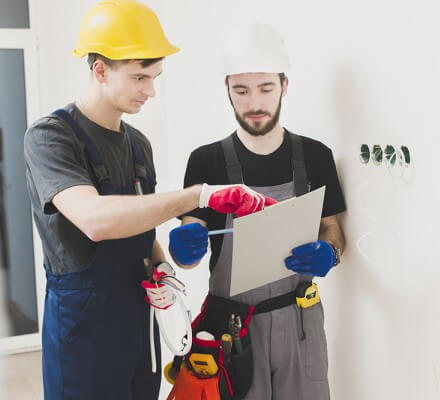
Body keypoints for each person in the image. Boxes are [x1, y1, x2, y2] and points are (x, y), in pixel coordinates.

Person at [23, 2, 273, 399]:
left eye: (155, 77)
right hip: (83, 329)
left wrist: (164, 268)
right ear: (100, 69)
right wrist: (200, 195)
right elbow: (95, 219)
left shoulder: (138, 144)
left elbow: (139, 225)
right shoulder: (51, 138)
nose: (151, 90)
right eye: (140, 77)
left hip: (140, 324)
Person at [168, 23, 346, 399]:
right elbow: (187, 245)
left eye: (265, 88)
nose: (254, 104)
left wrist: (330, 252)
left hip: (300, 321)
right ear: (227, 91)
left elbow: (333, 229)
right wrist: (183, 249)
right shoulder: (206, 161)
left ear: (284, 85)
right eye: (242, 90)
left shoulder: (315, 157)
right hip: (233, 329)